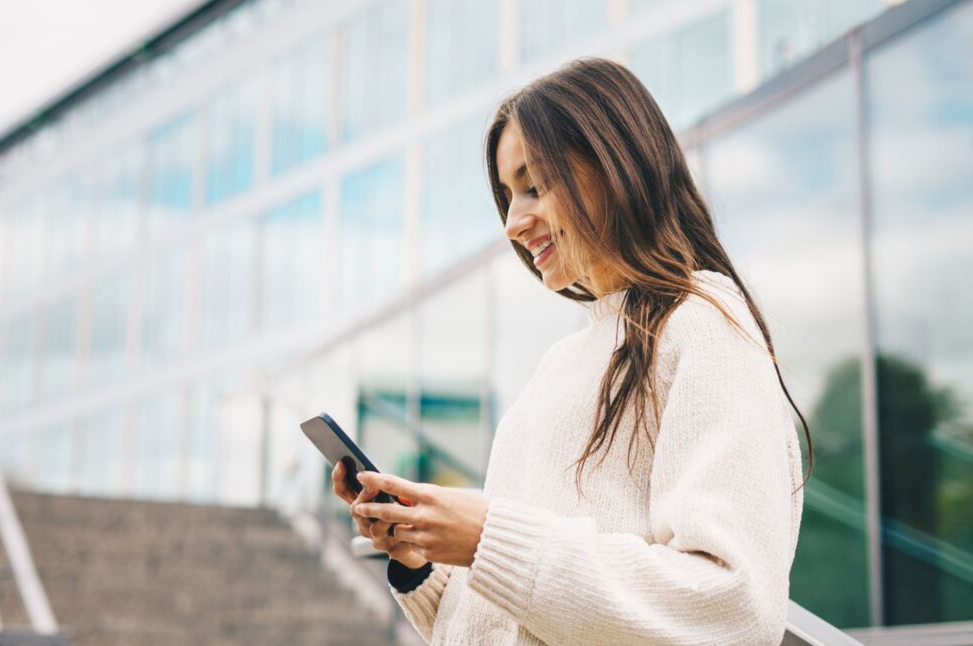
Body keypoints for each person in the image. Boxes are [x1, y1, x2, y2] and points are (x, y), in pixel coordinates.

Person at [331, 56, 812, 645]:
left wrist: (488, 538)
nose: (513, 222)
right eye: (508, 196)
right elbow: (510, 621)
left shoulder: (701, 324)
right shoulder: (560, 363)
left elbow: (731, 608)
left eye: (535, 186)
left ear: (616, 165)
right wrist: (420, 560)